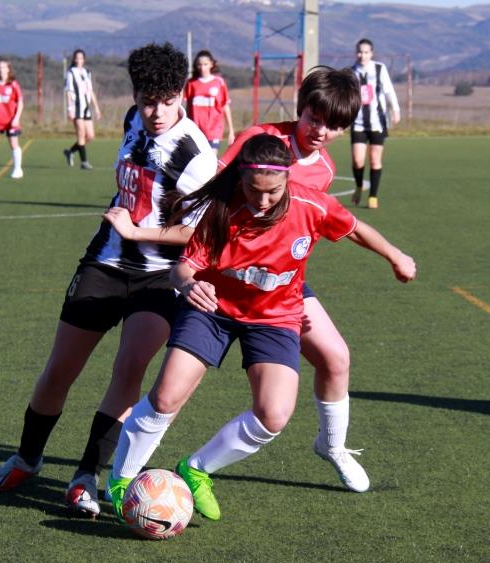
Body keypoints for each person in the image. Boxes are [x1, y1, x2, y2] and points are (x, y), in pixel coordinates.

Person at [106, 134, 417, 521]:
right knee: (167, 396)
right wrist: (189, 284)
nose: (263, 201)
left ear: (288, 179)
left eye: (273, 191)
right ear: (241, 180)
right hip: (213, 308)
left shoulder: (312, 204)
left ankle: (196, 468)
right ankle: (121, 482)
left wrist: (395, 255)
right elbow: (182, 267)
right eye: (254, 191)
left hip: (275, 317)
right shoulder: (222, 209)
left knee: (273, 414)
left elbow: (355, 229)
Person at [0, 43, 218, 518]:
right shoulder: (133, 120)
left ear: (182, 95)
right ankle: (27, 458)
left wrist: (135, 230)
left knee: (128, 371)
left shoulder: (197, 155)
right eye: (147, 100)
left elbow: (194, 232)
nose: (155, 112)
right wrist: (122, 227)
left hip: (157, 278)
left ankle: (87, 474)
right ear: (135, 96)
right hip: (103, 266)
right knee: (60, 369)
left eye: (166, 101)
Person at [218, 66, 376, 493]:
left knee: (336, 358)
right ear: (300, 109)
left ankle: (333, 446)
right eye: (315, 119)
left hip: (277, 285)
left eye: (335, 125)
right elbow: (210, 193)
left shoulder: (323, 169)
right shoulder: (259, 137)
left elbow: (310, 229)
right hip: (222, 276)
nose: (322, 131)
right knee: (172, 384)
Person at [350, 38, 400, 209]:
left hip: (378, 123)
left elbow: (389, 91)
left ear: (371, 53)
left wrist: (396, 110)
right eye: (359, 52)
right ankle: (358, 186)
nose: (362, 55)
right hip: (358, 123)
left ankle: (373, 196)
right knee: (357, 161)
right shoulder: (351, 73)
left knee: (375, 159)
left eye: (365, 52)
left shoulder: (379, 69)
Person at [184, 50, 235, 151]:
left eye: (205, 64)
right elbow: (188, 107)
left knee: (211, 159)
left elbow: (225, 105)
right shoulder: (191, 83)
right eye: (199, 64)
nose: (202, 67)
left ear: (211, 64)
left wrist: (231, 130)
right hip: (196, 130)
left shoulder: (219, 82)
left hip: (213, 129)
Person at [63, 49, 101, 170]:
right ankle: (84, 162)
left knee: (90, 136)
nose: (79, 60)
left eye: (81, 58)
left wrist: (97, 108)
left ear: (84, 59)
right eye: (77, 58)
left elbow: (91, 91)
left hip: (86, 108)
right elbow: (68, 92)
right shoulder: (71, 73)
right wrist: (69, 109)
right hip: (76, 107)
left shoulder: (86, 72)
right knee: (81, 134)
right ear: (74, 59)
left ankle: (70, 151)